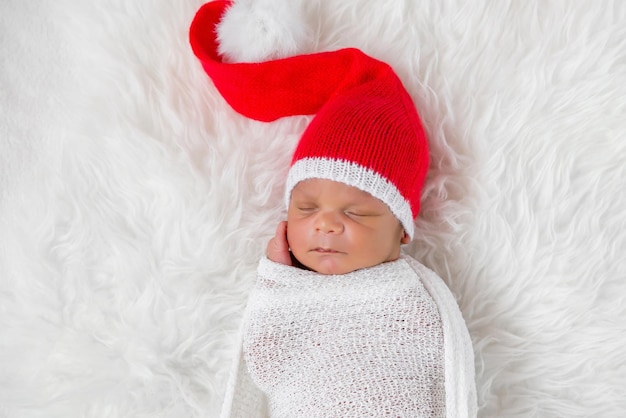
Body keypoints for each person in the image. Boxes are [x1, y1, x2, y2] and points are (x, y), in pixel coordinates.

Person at [189, 1, 477, 417]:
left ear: (402, 232)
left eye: (356, 213)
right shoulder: (288, 297)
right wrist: (275, 285)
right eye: (306, 209)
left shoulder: (412, 302)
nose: (325, 223)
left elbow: (435, 373)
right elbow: (267, 367)